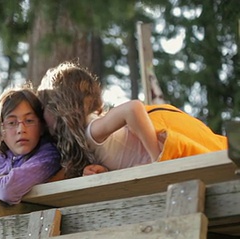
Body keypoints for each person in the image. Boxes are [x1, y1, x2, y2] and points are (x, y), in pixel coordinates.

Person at [37, 61, 228, 178]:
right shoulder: (89, 134)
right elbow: (121, 155)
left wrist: (156, 158)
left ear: (59, 106)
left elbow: (133, 108)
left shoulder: (92, 129)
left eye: (44, 109)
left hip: (164, 158)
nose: (42, 119)